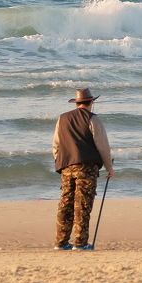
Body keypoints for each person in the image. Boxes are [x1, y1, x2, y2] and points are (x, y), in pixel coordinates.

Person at [52, 87, 114, 251]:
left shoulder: (62, 119)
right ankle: (80, 243)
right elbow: (103, 146)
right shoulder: (93, 119)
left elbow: (56, 146)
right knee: (83, 204)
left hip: (66, 167)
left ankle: (61, 241)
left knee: (65, 204)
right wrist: (109, 167)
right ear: (91, 102)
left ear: (77, 102)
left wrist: (61, 162)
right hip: (86, 168)